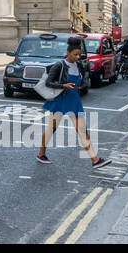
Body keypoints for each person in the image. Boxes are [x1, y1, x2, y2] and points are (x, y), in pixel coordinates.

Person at [37, 38, 111, 169]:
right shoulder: (59, 65)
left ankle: (95, 160)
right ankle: (41, 154)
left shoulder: (80, 65)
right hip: (60, 99)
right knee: (51, 129)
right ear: (68, 52)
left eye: (79, 54)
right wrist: (63, 85)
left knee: (82, 130)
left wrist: (80, 86)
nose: (78, 57)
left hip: (74, 100)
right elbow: (49, 83)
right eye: (75, 54)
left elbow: (83, 81)